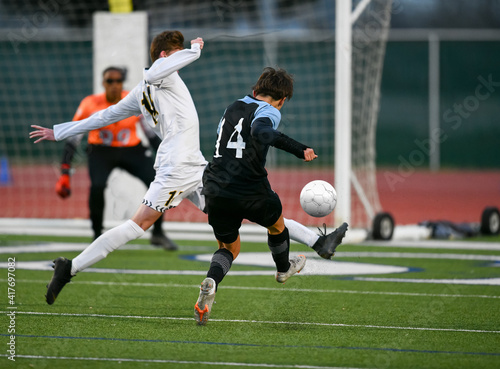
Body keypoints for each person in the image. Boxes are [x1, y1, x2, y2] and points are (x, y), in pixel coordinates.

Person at [30, 31, 347, 307]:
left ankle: (317, 243)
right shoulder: (158, 76)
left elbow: (104, 116)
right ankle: (70, 268)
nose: (183, 55)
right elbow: (130, 95)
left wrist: (59, 131)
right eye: (177, 51)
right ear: (167, 55)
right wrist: (193, 50)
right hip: (175, 168)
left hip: (198, 167)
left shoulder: (146, 87)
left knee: (246, 207)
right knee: (139, 225)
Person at [194, 67, 348, 325]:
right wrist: (299, 149)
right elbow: (260, 131)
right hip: (249, 186)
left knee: (229, 248)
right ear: (282, 100)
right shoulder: (269, 110)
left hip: (215, 185)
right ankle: (282, 269)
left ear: (255, 90)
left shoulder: (233, 106)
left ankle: (211, 281)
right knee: (276, 225)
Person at [56, 66, 177, 250]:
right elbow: (73, 138)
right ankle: (97, 235)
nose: (114, 85)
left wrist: (169, 160)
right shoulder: (90, 103)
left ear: (122, 83)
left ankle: (158, 233)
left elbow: (150, 134)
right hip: (101, 151)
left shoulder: (135, 99)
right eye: (110, 81)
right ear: (103, 83)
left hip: (132, 150)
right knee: (97, 187)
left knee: (157, 183)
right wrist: (65, 172)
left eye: (118, 81)